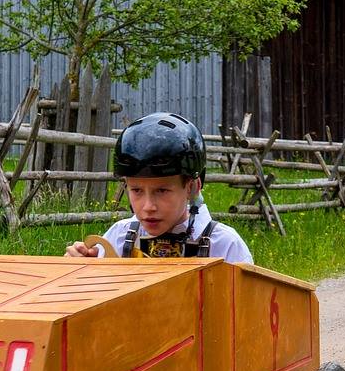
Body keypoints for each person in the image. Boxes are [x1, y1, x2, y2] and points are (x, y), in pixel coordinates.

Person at [67, 112, 252, 263]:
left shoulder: (225, 246)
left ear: (192, 188)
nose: (148, 206)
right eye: (136, 190)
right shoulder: (119, 238)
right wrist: (76, 269)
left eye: (162, 190)